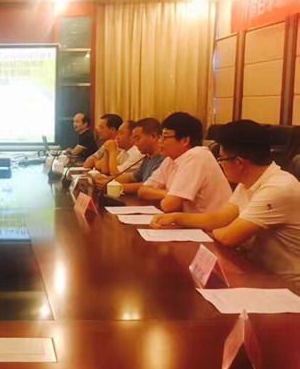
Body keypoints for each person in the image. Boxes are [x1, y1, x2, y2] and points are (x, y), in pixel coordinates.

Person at [151, 120, 300, 275]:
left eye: (221, 159)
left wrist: (213, 231)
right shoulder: (247, 182)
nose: (220, 165)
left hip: (286, 282)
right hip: (257, 269)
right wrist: (176, 217)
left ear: (239, 162)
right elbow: (221, 218)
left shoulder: (278, 188)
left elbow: (229, 237)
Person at [138, 112, 231, 213]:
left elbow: (169, 205)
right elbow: (142, 190)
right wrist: (166, 194)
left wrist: (167, 196)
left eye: (165, 137)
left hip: (211, 222)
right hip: (190, 220)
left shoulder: (197, 156)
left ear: (185, 140)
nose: (160, 141)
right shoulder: (170, 160)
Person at [92, 118, 164, 194]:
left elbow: (147, 186)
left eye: (138, 139)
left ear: (153, 136)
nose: (135, 143)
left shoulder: (162, 159)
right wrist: (107, 179)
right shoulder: (148, 157)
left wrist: (111, 185)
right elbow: (131, 177)